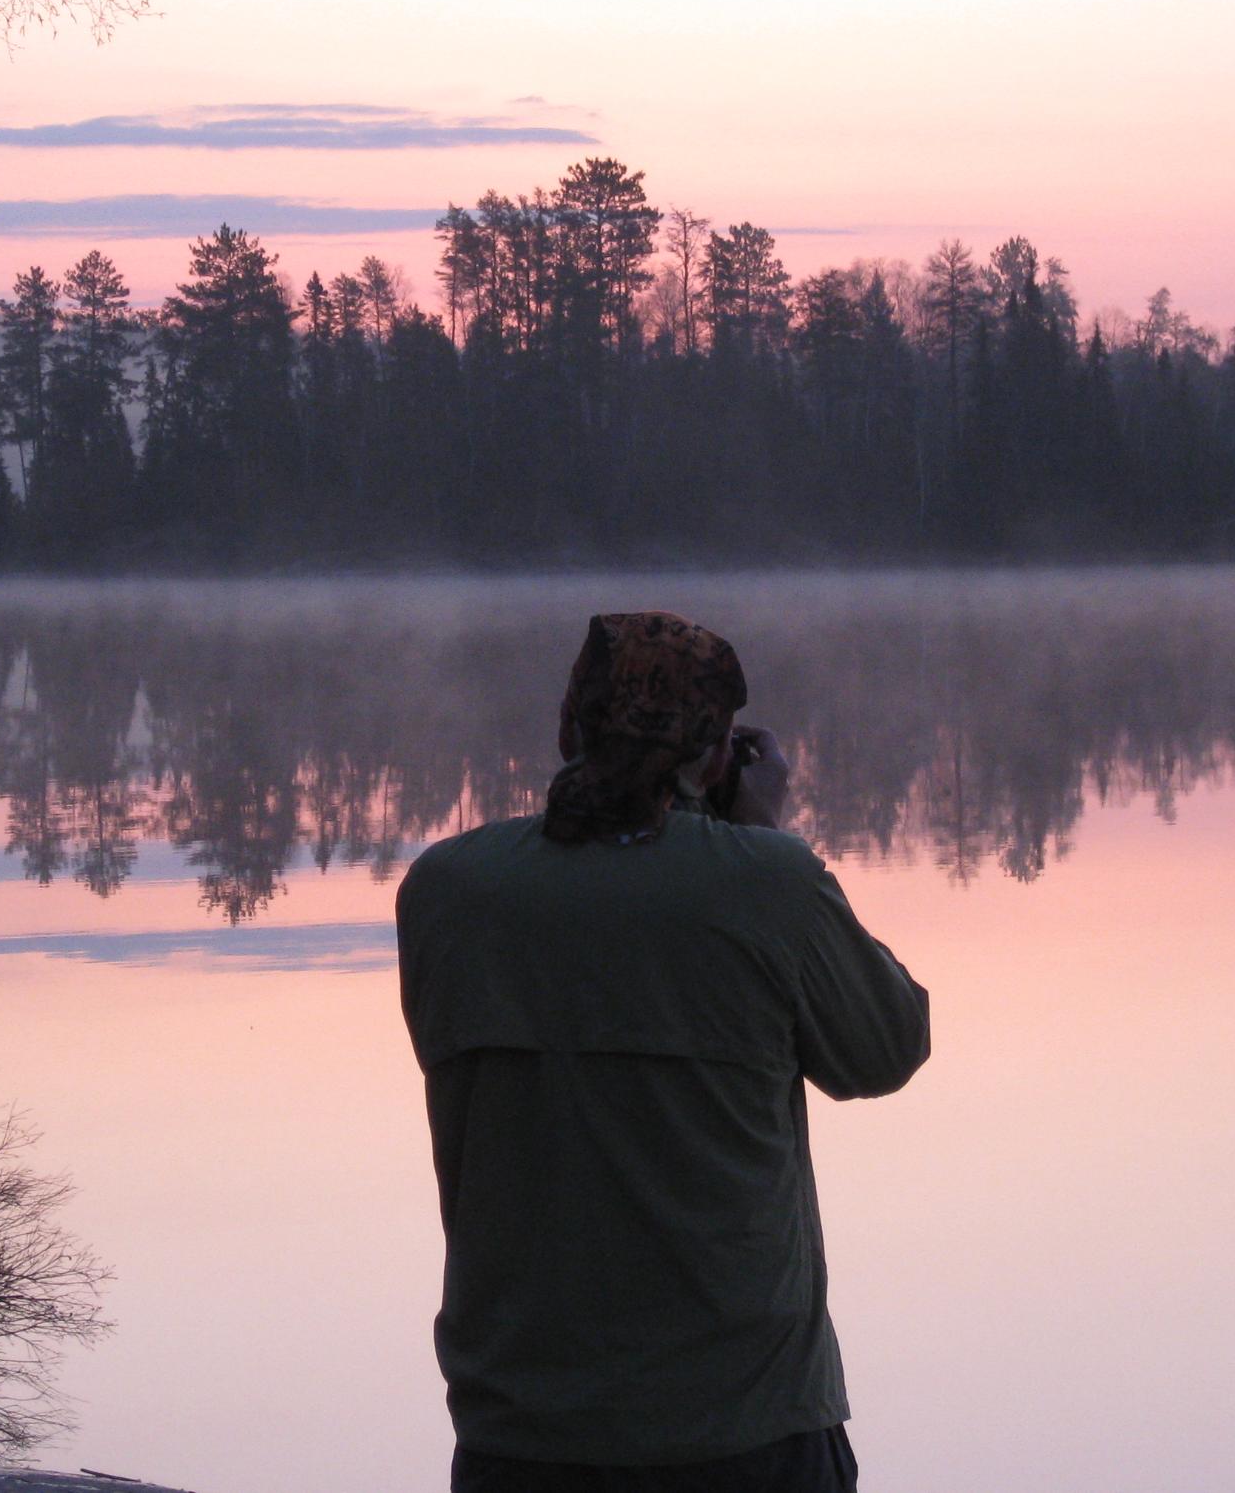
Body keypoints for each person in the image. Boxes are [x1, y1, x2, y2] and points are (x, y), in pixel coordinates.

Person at [396, 611, 931, 1492]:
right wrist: (761, 839)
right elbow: (884, 1047)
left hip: (521, 1432)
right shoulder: (762, 883)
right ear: (719, 753)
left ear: (568, 730)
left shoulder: (448, 890)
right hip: (743, 1426)